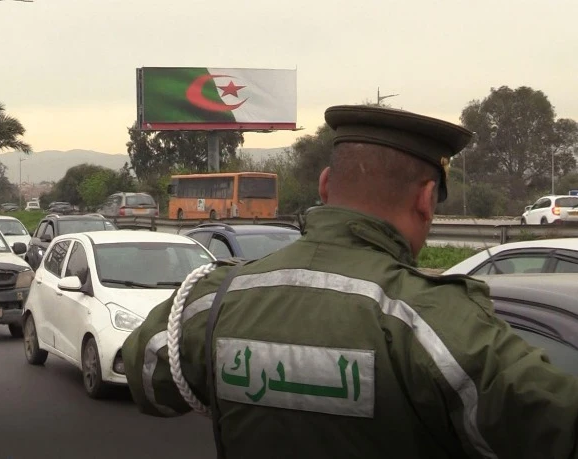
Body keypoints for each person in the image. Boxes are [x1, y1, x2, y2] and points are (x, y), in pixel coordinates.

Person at [122, 105, 578, 458]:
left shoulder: (216, 301)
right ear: (425, 198)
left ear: (324, 186)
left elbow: (148, 380)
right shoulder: (439, 323)